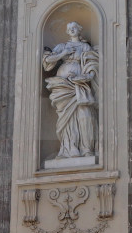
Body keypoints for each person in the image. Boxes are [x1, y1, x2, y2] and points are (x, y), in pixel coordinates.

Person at [42, 22, 99, 159]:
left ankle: (87, 149)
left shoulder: (85, 46)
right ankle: (69, 148)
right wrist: (63, 53)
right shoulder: (62, 46)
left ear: (79, 30)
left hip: (80, 84)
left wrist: (87, 75)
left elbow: (92, 62)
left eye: (74, 27)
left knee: (85, 115)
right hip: (62, 85)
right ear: (67, 32)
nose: (71, 30)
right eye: (69, 28)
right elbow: (47, 62)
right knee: (67, 119)